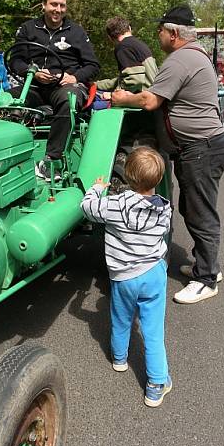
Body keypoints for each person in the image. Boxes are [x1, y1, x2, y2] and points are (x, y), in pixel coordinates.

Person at [111, 5, 224, 305]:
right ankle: (207, 266)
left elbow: (150, 100)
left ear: (174, 33)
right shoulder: (193, 55)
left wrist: (124, 97)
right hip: (202, 147)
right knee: (193, 207)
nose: (158, 35)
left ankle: (206, 279)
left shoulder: (181, 59)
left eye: (161, 30)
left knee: (201, 212)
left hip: (200, 149)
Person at [80, 147, 173, 407]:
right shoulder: (164, 209)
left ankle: (119, 359)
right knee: (153, 331)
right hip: (153, 272)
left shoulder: (115, 205)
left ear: (128, 177)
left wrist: (97, 188)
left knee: (121, 319)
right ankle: (156, 385)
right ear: (158, 179)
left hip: (123, 276)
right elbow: (162, 233)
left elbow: (87, 208)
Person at [9, 0, 100, 180]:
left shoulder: (76, 32)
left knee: (69, 100)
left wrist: (74, 77)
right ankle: (10, 160)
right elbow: (15, 61)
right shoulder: (28, 29)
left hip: (64, 85)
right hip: (35, 85)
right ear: (44, 5)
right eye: (53, 4)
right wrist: (31, 72)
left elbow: (93, 65)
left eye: (62, 5)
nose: (58, 10)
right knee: (7, 100)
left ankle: (52, 160)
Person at [94, 16, 158, 108]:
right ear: (129, 28)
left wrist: (113, 94)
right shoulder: (138, 44)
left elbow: (135, 80)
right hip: (151, 97)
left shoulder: (123, 47)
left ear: (110, 37)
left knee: (90, 106)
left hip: (141, 101)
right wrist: (96, 84)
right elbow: (125, 78)